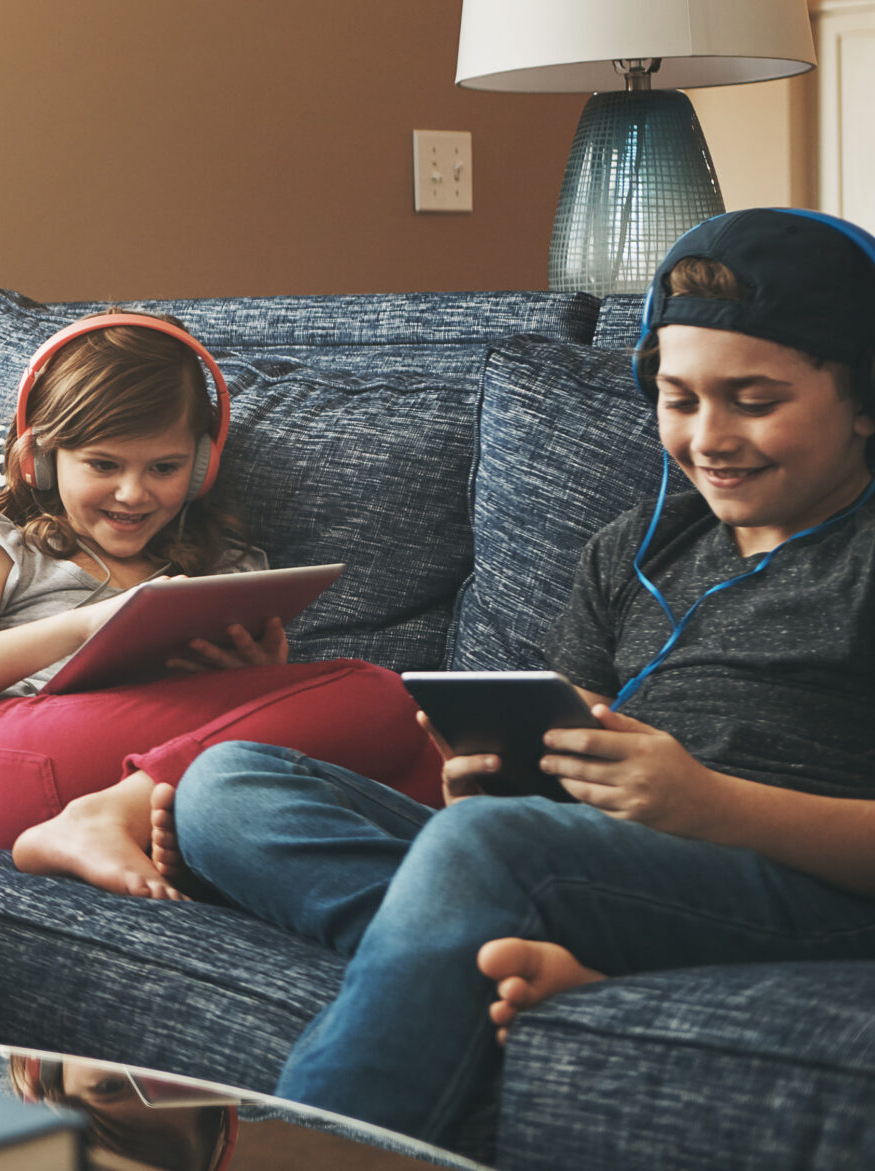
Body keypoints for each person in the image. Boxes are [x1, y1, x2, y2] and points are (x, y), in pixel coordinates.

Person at [163, 208, 875, 1148]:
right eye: (679, 397)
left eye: (754, 399)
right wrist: (495, 780)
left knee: (490, 853)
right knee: (227, 786)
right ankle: (510, 934)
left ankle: (321, 1137)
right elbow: (572, 736)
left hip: (804, 892)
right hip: (597, 863)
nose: (709, 437)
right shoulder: (635, 548)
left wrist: (709, 806)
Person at [0, 311, 437, 898]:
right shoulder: (6, 552)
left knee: (404, 733)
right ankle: (100, 818)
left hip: (158, 780)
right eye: (103, 464)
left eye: (164, 468)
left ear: (200, 467)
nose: (133, 493)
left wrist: (255, 683)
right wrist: (89, 623)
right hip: (7, 765)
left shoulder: (227, 570)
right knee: (375, 691)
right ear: (39, 458)